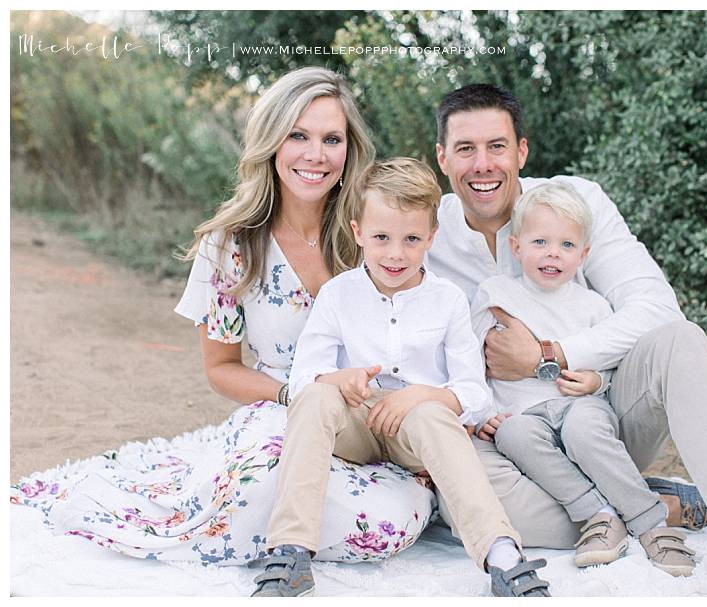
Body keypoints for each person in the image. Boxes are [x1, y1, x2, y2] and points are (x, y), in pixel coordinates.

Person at [11, 67, 435, 567]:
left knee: (393, 514)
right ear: (271, 141)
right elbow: (221, 368)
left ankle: (295, 525)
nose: (315, 155)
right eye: (297, 135)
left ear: (350, 148)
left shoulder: (381, 227)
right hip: (283, 408)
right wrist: (296, 392)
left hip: (376, 418)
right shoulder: (233, 243)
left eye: (331, 138)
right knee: (263, 484)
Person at [426, 83, 707, 596]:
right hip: (514, 441)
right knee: (464, 509)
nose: (483, 164)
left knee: (679, 340)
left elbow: (657, 308)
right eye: (465, 149)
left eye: (497, 146)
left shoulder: (576, 201)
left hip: (602, 419)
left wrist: (550, 356)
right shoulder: (425, 231)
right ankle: (657, 505)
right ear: (442, 158)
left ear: (521, 150)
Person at [251, 157, 551, 598]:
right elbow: (302, 379)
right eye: (382, 238)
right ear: (358, 233)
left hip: (418, 432)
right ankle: (292, 550)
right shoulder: (338, 295)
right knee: (315, 399)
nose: (396, 253)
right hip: (356, 424)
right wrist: (341, 380)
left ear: (431, 237)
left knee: (432, 416)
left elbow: (474, 393)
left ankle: (502, 555)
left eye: (412, 239)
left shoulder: (447, 300)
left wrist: (423, 396)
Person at [472, 182, 696, 577]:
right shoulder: (495, 294)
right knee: (512, 435)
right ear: (516, 246)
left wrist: (596, 381)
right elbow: (472, 358)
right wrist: (486, 411)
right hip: (524, 413)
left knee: (583, 428)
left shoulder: (594, 305)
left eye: (566, 245)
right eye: (540, 241)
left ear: (584, 254)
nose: (552, 254)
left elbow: (611, 363)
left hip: (579, 405)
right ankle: (599, 514)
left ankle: (652, 524)